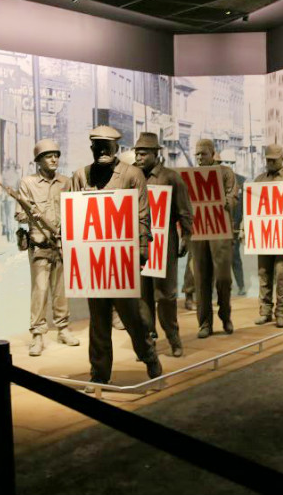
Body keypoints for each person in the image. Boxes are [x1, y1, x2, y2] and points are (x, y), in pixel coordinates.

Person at [67, 125, 162, 391]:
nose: (100, 150)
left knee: (132, 316)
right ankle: (99, 373)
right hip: (94, 260)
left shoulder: (132, 175)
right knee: (98, 319)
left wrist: (142, 251)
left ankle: (150, 357)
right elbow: (72, 216)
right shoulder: (81, 176)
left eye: (106, 146)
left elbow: (143, 216)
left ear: (117, 148)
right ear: (90, 147)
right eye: (96, 145)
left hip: (123, 259)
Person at [15, 139, 79, 356]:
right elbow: (19, 214)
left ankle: (63, 329)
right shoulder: (28, 183)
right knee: (40, 291)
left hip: (61, 244)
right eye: (48, 156)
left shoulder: (66, 182)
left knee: (61, 290)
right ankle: (38, 335)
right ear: (38, 161)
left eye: (56, 155)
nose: (54, 159)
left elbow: (75, 211)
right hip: (40, 244)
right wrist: (30, 214)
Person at [133, 132, 194, 357]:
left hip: (164, 239)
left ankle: (174, 338)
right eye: (137, 152)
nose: (138, 157)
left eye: (143, 153)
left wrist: (186, 236)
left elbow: (184, 210)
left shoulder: (171, 177)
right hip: (138, 242)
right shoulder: (131, 176)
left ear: (155, 154)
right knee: (142, 294)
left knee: (166, 294)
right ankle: (148, 342)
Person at [191, 139, 237, 338]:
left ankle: (225, 315)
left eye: (204, 154)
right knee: (201, 278)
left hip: (220, 230)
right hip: (198, 231)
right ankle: (204, 323)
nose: (200, 158)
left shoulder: (225, 173)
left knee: (224, 278)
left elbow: (233, 197)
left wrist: (220, 202)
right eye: (198, 154)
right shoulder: (191, 176)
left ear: (213, 154)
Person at [254, 144, 283, 327]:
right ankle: (265, 311)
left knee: (282, 275)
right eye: (268, 159)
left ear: (282, 159)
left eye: (273, 159)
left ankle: (281, 312)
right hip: (265, 235)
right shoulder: (259, 180)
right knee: (264, 274)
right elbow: (252, 207)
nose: (270, 163)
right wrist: (246, 227)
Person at [219, 149, 247, 297]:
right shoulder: (216, 180)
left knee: (235, 257)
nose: (229, 165)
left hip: (235, 225)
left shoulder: (242, 181)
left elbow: (245, 207)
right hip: (218, 225)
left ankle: (241, 285)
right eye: (225, 162)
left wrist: (243, 226)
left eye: (231, 163)